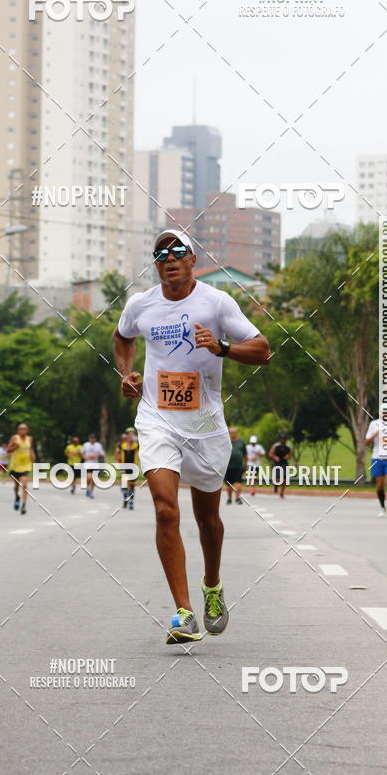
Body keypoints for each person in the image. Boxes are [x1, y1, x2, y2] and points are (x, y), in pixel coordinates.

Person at [113, 228, 270, 644]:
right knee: (166, 510)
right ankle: (183, 613)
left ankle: (212, 585)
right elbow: (122, 336)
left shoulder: (216, 303)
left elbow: (263, 349)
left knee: (207, 519)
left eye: (177, 251)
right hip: (156, 418)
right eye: (160, 253)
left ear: (192, 260)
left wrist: (222, 349)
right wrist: (125, 373)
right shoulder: (141, 305)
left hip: (205, 426)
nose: (169, 258)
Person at [7, 423, 35, 514]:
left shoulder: (29, 439)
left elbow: (30, 449)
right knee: (16, 486)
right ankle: (17, 497)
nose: (22, 431)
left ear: (27, 430)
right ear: (18, 430)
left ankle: (23, 506)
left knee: (25, 485)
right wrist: (15, 446)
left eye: (24, 429)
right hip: (15, 465)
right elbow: (8, 449)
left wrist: (32, 455)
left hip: (26, 465)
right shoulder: (14, 438)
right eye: (20, 429)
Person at [117, 428, 140, 509]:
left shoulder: (136, 445)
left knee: (131, 486)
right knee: (124, 486)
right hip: (124, 467)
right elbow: (117, 454)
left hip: (133, 467)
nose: (131, 436)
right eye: (129, 434)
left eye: (132, 434)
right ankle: (125, 498)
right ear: (126, 435)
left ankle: (131, 501)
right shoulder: (121, 445)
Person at [224, 427, 247, 505]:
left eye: (234, 433)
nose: (232, 434)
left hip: (239, 466)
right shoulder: (225, 442)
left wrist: (245, 464)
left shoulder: (241, 442)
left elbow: (245, 454)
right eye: (231, 433)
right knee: (229, 483)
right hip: (228, 466)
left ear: (237, 433)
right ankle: (229, 498)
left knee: (238, 482)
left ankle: (237, 498)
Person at [268, 432, 293, 498]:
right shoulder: (275, 446)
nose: (283, 440)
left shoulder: (288, 447)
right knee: (277, 479)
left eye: (284, 439)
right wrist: (275, 457)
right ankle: (276, 485)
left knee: (285, 479)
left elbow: (290, 456)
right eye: (282, 439)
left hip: (284, 464)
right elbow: (270, 454)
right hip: (277, 464)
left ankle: (282, 492)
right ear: (279, 439)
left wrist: (288, 456)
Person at [82, 434, 105, 498]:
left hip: (95, 465)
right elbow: (82, 453)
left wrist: (96, 455)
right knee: (89, 478)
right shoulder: (85, 444)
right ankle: (87, 488)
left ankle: (91, 492)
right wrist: (85, 457)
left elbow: (102, 454)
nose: (92, 439)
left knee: (94, 479)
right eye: (91, 438)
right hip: (87, 464)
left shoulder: (98, 445)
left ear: (95, 439)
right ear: (89, 438)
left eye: (94, 438)